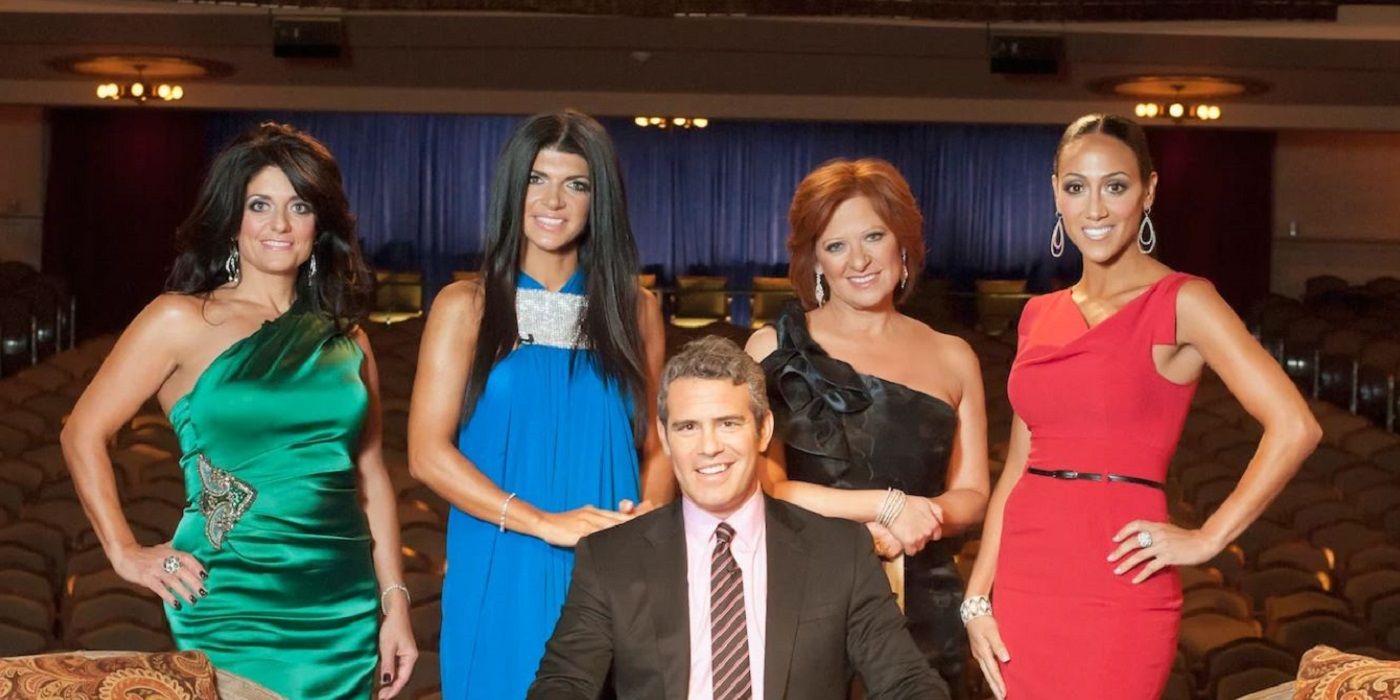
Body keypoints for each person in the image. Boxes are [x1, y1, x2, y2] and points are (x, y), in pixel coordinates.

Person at [964, 114, 1321, 699]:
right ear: (1056, 191)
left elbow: (1295, 426)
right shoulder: (1037, 314)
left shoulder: (1184, 301)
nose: (1096, 209)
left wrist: (1208, 537)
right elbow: (1017, 470)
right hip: (1027, 580)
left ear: (1148, 192)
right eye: (1077, 187)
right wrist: (978, 597)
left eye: (1116, 186)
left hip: (1119, 582)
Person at [61, 123, 417, 699]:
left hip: (343, 601)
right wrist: (124, 551)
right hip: (232, 595)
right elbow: (82, 432)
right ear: (233, 218)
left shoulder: (347, 338)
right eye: (260, 205)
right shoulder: (179, 319)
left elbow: (371, 476)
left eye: (298, 206)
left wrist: (394, 601)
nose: (279, 225)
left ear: (318, 224)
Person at [407, 109, 671, 699]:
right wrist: (543, 523)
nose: (553, 200)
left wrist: (649, 515)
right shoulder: (464, 306)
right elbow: (426, 454)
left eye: (576, 183)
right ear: (511, 188)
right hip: (502, 556)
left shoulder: (637, 309)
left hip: (612, 562)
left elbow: (657, 447)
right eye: (536, 179)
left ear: (597, 199)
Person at [528, 336, 949, 699]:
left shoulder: (838, 552)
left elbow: (905, 681)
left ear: (763, 430)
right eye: (688, 427)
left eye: (728, 423)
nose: (708, 447)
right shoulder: (611, 558)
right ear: (665, 438)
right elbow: (563, 682)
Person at [744, 158, 989, 696]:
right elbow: (764, 487)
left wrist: (926, 517)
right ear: (814, 261)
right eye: (835, 245)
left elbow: (973, 492)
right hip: (804, 597)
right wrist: (885, 507)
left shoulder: (954, 356)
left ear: (902, 243)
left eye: (873, 236)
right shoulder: (773, 349)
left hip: (926, 601)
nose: (858, 260)